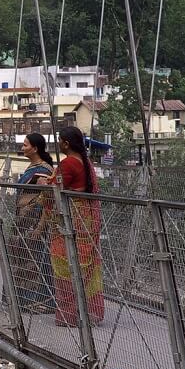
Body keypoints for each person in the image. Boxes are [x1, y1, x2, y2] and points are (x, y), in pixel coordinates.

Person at [47, 126, 104, 328]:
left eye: (60, 140)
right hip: (86, 222)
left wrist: (44, 183)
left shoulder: (69, 163)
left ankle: (68, 315)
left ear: (66, 143)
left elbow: (53, 190)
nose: (59, 144)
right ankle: (88, 313)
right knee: (85, 266)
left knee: (64, 265)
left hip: (69, 222)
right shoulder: (86, 163)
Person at [9, 133, 55, 314]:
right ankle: (24, 301)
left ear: (35, 148)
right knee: (24, 260)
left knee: (36, 261)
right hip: (23, 222)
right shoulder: (33, 167)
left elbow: (48, 200)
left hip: (34, 224)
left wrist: (40, 226)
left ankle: (39, 301)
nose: (23, 148)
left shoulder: (43, 171)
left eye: (25, 145)